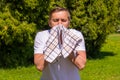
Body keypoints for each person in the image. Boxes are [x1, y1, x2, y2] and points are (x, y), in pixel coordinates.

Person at [34, 7, 87, 80]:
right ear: (49, 22)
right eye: (55, 20)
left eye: (63, 20)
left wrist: (66, 48)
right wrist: (52, 46)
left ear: (69, 22)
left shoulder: (76, 36)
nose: (59, 24)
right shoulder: (42, 36)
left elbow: (81, 65)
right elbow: (39, 66)